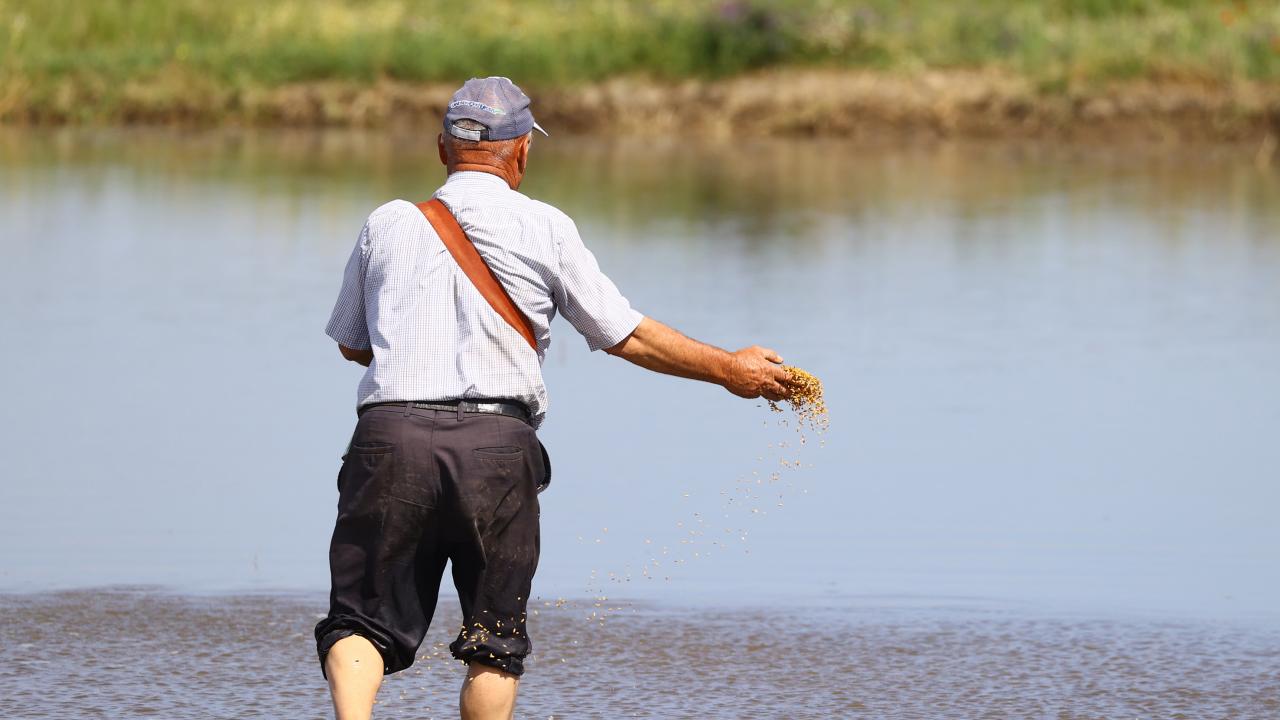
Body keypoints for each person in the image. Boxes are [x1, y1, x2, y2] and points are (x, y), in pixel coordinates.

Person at [316, 76, 791, 720]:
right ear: (520, 152)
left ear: (442, 149)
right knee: (494, 641)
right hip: (495, 449)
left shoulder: (387, 223)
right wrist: (729, 369)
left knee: (361, 621)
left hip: (389, 440)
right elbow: (625, 335)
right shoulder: (545, 227)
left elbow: (352, 344)